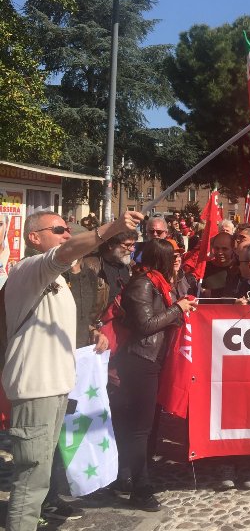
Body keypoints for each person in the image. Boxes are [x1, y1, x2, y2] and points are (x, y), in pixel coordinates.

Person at [3, 209, 143, 531]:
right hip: (36, 386)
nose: (67, 234)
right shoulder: (30, 268)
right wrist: (113, 228)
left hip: (56, 385)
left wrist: (92, 333)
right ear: (34, 238)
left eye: (68, 229)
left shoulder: (58, 279)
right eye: (59, 229)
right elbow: (65, 252)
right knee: (31, 476)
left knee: (41, 472)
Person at [116, 239, 195, 512]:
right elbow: (145, 324)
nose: (175, 260)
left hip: (154, 360)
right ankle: (140, 488)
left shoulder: (160, 283)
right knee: (140, 429)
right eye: (170, 256)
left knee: (146, 428)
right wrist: (177, 309)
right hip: (140, 360)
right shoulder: (143, 284)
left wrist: (179, 310)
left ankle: (136, 476)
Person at [83, 229, 137, 307]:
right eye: (127, 245)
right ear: (110, 245)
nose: (132, 249)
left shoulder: (130, 265)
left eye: (133, 245)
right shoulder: (90, 266)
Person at [202, 232, 240, 298]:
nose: (220, 252)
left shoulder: (239, 269)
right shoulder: (204, 268)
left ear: (233, 249)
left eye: (224, 249)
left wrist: (212, 293)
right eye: (217, 248)